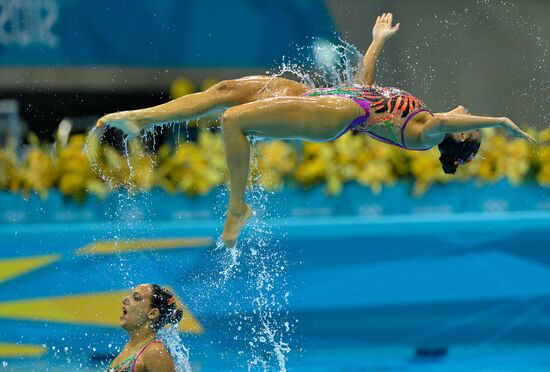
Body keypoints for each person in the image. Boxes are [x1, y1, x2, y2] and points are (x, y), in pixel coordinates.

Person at [96, 13, 535, 249]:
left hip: (333, 116)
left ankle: (236, 208)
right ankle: (141, 118)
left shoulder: (429, 133)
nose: (468, 115)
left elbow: (444, 121)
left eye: (470, 128)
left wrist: (498, 123)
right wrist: (378, 42)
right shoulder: (417, 112)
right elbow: (366, 88)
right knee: (228, 91)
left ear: (459, 137)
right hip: (325, 97)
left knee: (234, 121)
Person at [108, 284, 183, 372]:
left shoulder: (155, 351)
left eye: (136, 298)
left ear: (152, 313)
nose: (124, 299)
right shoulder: (129, 347)